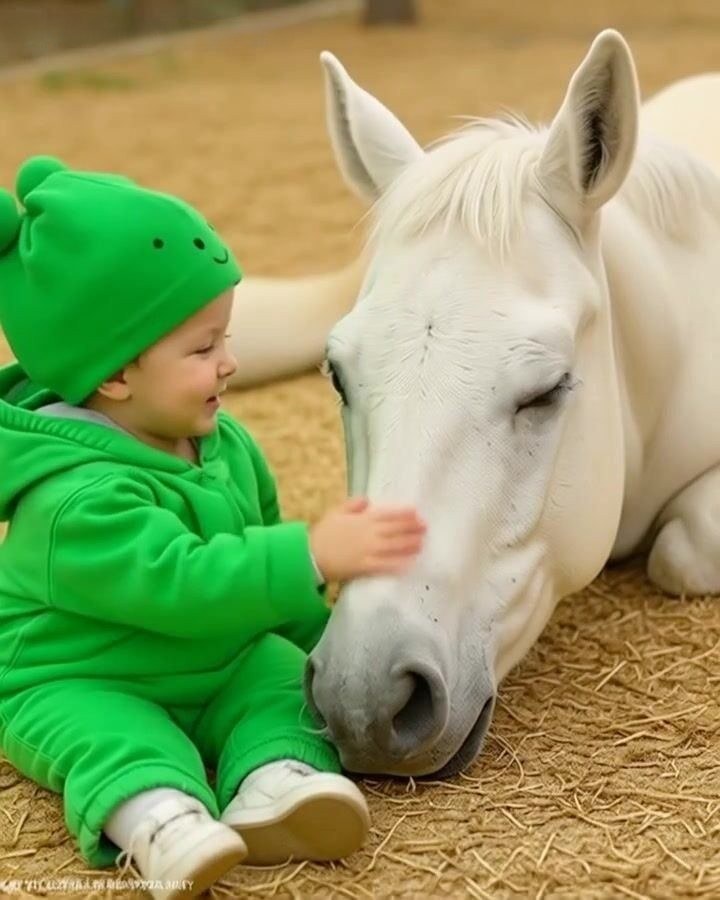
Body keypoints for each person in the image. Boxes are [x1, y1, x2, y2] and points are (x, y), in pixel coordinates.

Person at [0, 156, 427, 900]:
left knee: (285, 685)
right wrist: (310, 555)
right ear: (115, 376)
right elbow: (182, 581)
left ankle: (277, 780)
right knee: (116, 738)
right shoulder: (72, 500)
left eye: (225, 338)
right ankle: (161, 818)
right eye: (203, 349)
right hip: (80, 672)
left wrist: (317, 638)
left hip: (213, 654)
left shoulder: (223, 445)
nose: (231, 364)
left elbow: (260, 567)